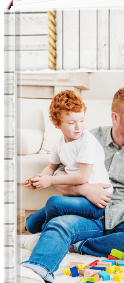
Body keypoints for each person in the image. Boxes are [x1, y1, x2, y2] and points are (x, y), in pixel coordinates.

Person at [18, 86, 124, 283]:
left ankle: (79, 245)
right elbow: (59, 172)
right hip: (89, 213)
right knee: (61, 223)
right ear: (115, 117)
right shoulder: (90, 138)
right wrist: (84, 189)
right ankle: (37, 268)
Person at [24, 90, 113, 235]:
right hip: (75, 198)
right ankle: (52, 226)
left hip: (95, 202)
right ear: (56, 123)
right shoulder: (59, 144)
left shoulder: (87, 141)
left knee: (53, 203)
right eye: (71, 123)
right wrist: (39, 179)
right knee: (30, 224)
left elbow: (83, 177)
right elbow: (51, 167)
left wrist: (51, 181)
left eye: (82, 120)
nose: (79, 127)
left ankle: (50, 233)